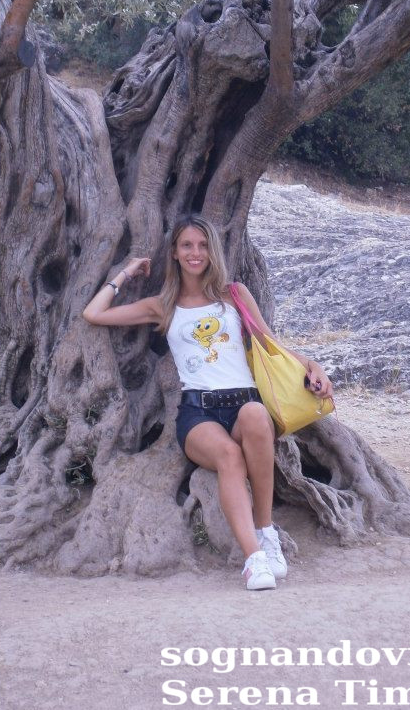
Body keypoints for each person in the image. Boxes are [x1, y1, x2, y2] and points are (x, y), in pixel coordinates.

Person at [82, 214, 333, 591]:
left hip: (245, 400)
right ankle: (254, 560)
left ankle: (266, 532)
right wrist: (127, 272)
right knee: (230, 458)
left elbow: (269, 343)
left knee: (255, 416)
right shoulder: (163, 306)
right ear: (176, 253)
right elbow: (94, 313)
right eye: (187, 246)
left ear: (212, 251)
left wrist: (312, 365)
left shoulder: (234, 295)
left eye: (202, 245)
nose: (195, 253)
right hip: (198, 411)